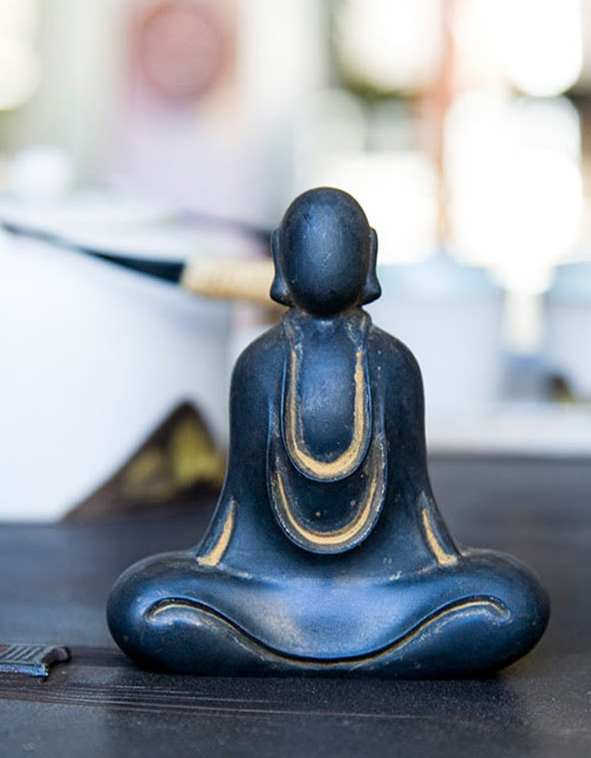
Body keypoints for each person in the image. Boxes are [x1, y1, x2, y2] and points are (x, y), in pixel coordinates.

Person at [107, 187, 549, 677]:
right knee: (142, 605)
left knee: (513, 603)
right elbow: (236, 515)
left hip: (384, 590)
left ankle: (280, 655)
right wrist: (212, 567)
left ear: (368, 256)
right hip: (270, 590)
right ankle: (382, 656)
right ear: (281, 259)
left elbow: (418, 512)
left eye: (340, 245)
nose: (326, 260)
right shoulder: (258, 366)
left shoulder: (394, 365)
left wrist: (443, 564)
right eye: (310, 247)